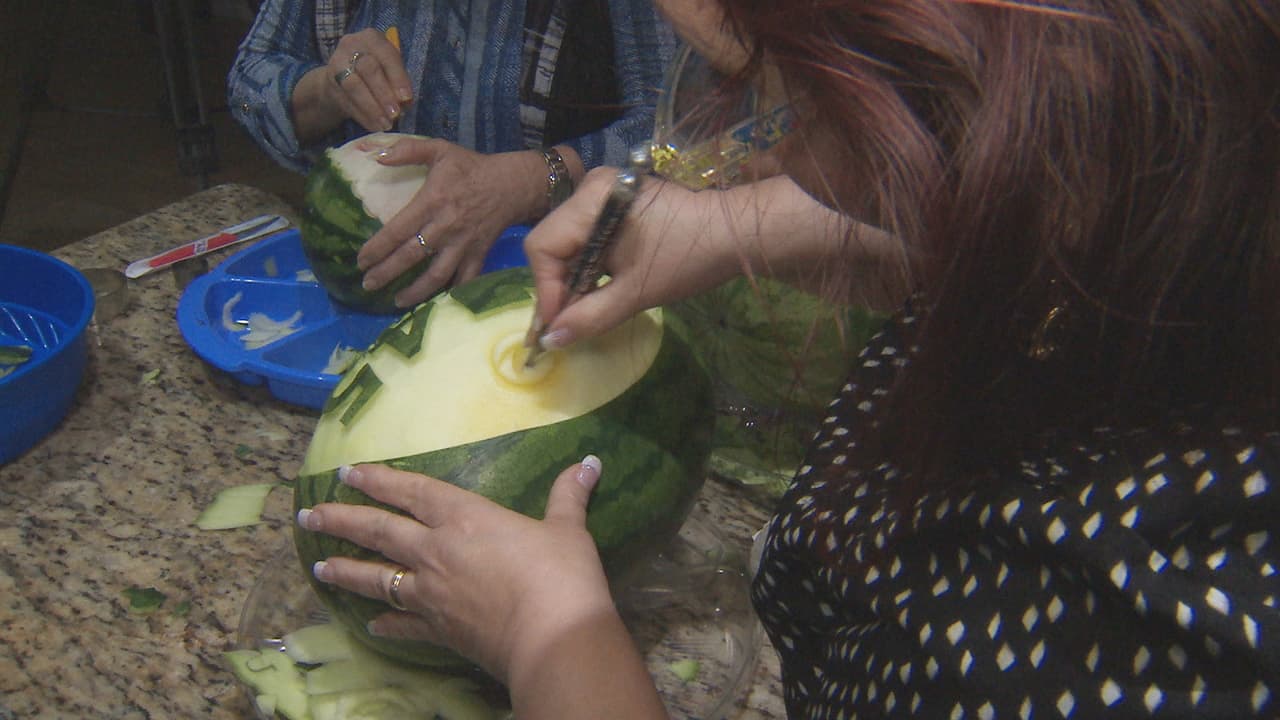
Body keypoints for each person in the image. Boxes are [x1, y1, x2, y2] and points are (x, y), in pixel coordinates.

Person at [294, 0, 1280, 717]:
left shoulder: (1172, 605)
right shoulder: (1185, 197)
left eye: (782, 96)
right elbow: (1070, 264)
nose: (771, 148)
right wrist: (743, 228)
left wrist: (552, 641)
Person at [227, 0, 675, 308]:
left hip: (553, 296)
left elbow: (679, 131)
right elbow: (250, 78)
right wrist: (327, 88)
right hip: (359, 301)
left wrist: (531, 180)